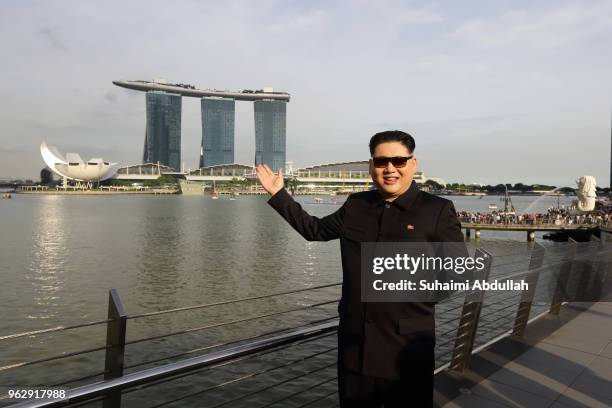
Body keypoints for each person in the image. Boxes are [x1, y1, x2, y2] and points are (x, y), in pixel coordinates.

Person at [256, 130, 464, 407]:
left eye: (399, 161)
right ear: (371, 167)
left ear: (413, 164)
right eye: (381, 162)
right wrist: (279, 194)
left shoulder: (436, 210)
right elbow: (314, 230)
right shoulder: (356, 205)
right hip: (356, 344)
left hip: (407, 350)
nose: (390, 168)